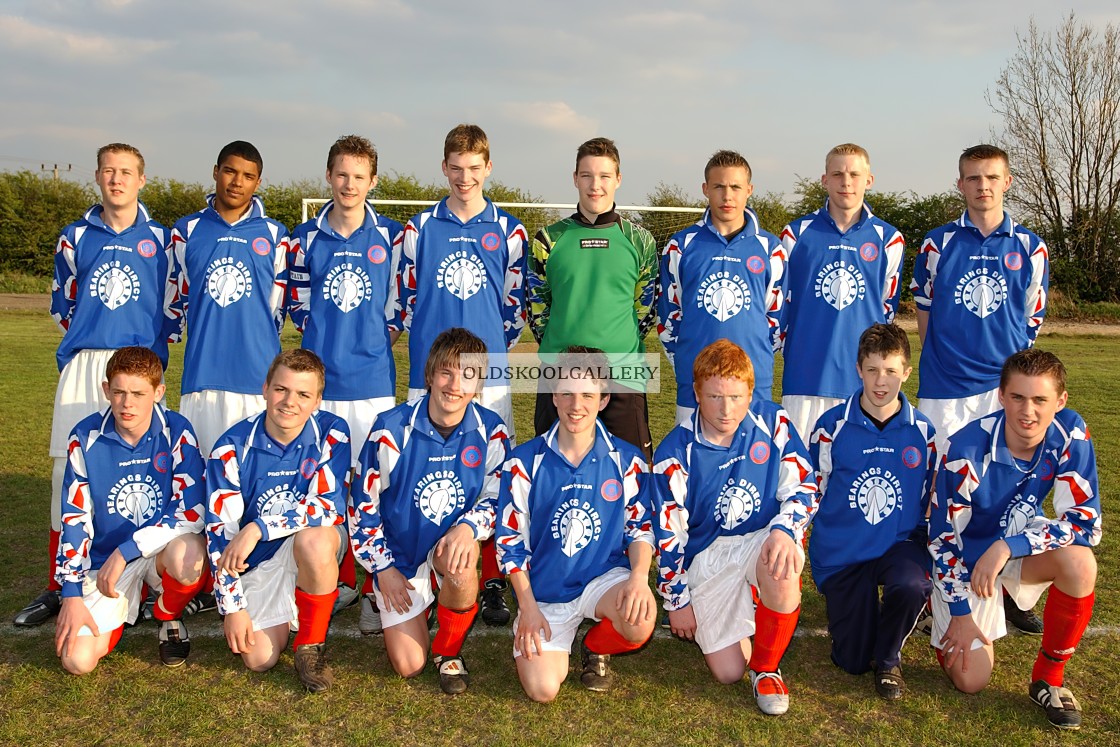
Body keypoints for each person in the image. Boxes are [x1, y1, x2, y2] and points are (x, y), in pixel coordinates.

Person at [17, 143, 177, 629]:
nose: (117, 179)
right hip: (87, 365)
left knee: (148, 472)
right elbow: (63, 308)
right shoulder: (74, 237)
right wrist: (94, 348)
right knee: (68, 471)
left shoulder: (165, 240)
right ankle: (58, 583)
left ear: (142, 180)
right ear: (98, 177)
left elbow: (173, 310)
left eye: (127, 172)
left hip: (140, 368)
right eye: (109, 171)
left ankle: (152, 583)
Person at [912, 143, 1050, 634]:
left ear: (1008, 181)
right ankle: (936, 587)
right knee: (941, 491)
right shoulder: (936, 243)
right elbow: (924, 317)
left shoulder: (1031, 247)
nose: (982, 186)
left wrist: (1010, 380)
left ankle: (1011, 586)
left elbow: (1030, 319)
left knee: (1009, 487)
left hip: (1004, 391)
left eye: (991, 177)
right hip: (946, 390)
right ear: (960, 184)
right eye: (972, 178)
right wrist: (944, 364)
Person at [392, 124, 526, 625]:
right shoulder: (418, 229)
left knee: (490, 475)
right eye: (456, 167)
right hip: (431, 375)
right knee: (419, 470)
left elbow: (514, 305)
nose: (465, 177)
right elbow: (405, 301)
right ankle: (414, 569)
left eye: (475, 168)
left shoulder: (510, 231)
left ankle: (488, 578)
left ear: (488, 168)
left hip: (487, 377)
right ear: (443, 167)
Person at [928, 349, 1100, 730]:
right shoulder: (966, 451)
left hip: (1012, 549)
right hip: (965, 563)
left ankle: (1049, 679)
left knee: (1080, 563)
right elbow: (941, 541)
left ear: (1060, 401)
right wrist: (959, 614)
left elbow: (1087, 523)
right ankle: (934, 608)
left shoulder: (1069, 433)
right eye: (1018, 397)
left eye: (1041, 400)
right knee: (972, 680)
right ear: (1001, 396)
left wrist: (1009, 546)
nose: (1029, 412)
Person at [651, 339, 817, 716]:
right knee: (727, 671)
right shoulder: (674, 453)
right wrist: (677, 601)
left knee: (783, 563)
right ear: (696, 393)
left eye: (737, 397)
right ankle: (750, 608)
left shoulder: (773, 422)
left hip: (760, 538)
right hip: (707, 555)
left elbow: (805, 485)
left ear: (750, 392)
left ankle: (767, 669)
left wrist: (784, 530)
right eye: (714, 397)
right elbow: (668, 536)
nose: (727, 410)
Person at [349, 328, 510, 694]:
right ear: (429, 375)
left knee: (462, 562)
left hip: (447, 549)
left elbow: (499, 494)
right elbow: (361, 506)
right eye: (446, 372)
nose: (455, 385)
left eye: (467, 375)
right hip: (399, 557)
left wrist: (469, 527)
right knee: (409, 666)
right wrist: (382, 569)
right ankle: (390, 597)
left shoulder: (491, 430)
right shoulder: (390, 428)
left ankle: (449, 651)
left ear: (478, 384)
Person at [288, 134, 404, 624]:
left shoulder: (394, 236)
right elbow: (296, 304)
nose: (349, 184)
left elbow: (401, 305)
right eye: (341, 174)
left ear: (372, 181)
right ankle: (332, 584)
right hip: (322, 386)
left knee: (374, 485)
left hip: (374, 382)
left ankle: (377, 588)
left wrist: (376, 338)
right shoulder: (305, 237)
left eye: (359, 176)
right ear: (328, 177)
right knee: (324, 482)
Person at [497, 347, 656, 702]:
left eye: (587, 394)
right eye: (567, 393)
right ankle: (547, 633)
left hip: (603, 579)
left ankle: (594, 644)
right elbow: (509, 543)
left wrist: (639, 578)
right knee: (543, 690)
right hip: (546, 592)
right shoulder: (524, 461)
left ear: (604, 399)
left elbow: (641, 527)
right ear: (554, 394)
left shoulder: (626, 458)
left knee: (639, 619)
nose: (576, 405)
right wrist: (528, 607)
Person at [53, 346, 207, 674]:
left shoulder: (177, 431)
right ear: (106, 390)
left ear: (158, 392)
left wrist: (129, 549)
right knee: (76, 660)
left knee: (190, 556)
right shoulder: (85, 437)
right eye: (119, 391)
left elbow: (192, 511)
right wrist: (71, 593)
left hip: (158, 551)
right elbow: (74, 517)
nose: (128, 403)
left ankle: (167, 615)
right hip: (106, 560)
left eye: (138, 393)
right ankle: (126, 600)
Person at [205, 350, 351, 693]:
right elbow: (219, 536)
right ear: (265, 389)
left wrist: (258, 527)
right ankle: (298, 605)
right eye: (281, 390)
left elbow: (328, 507)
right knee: (259, 659)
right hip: (261, 561)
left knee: (314, 541)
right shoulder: (230, 447)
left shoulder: (332, 431)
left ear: (317, 401)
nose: (290, 402)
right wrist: (232, 608)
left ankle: (310, 646)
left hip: (308, 543)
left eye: (303, 394)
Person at [807, 323, 936, 700]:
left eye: (892, 371)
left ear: (906, 373)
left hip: (897, 543)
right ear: (859, 369)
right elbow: (811, 491)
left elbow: (928, 497)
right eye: (873, 370)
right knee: (851, 661)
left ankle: (890, 658)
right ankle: (864, 621)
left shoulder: (923, 433)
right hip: (844, 551)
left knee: (912, 585)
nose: (882, 381)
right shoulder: (832, 427)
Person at [528, 137, 658, 459]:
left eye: (603, 176)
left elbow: (646, 309)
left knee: (633, 476)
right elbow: (537, 308)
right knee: (550, 471)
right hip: (559, 374)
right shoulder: (547, 240)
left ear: (618, 179)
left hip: (623, 375)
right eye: (586, 175)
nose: (595, 185)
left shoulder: (641, 241)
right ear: (575, 179)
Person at [166, 140, 290, 457]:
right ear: (215, 172)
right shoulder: (186, 231)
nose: (237, 182)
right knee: (202, 477)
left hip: (257, 380)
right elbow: (177, 299)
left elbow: (276, 310)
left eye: (248, 176)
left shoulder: (275, 235)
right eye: (230, 171)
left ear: (258, 182)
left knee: (252, 479)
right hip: (202, 377)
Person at [779, 143, 905, 441]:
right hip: (805, 378)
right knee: (801, 474)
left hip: (864, 382)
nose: (846, 182)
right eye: (837, 174)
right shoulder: (795, 234)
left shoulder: (889, 239)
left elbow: (886, 309)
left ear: (869, 180)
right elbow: (781, 306)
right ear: (825, 180)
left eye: (854, 174)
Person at [658, 150, 785, 422]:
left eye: (736, 187)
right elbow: (669, 315)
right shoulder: (680, 246)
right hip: (696, 384)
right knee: (694, 461)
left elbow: (777, 320)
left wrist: (752, 362)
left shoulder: (771, 249)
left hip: (753, 385)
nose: (727, 196)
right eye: (719, 186)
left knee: (751, 462)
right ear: (705, 189)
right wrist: (686, 363)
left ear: (749, 190)